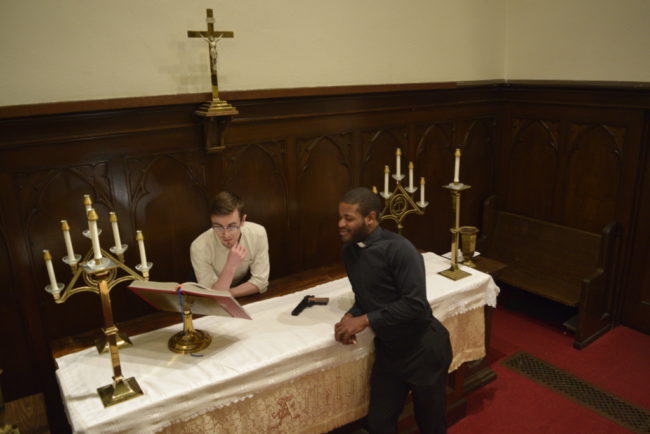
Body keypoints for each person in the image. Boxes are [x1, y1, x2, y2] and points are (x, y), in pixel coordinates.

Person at [334, 187, 452, 434]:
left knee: (431, 426)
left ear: (371, 218)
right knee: (378, 424)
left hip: (424, 350)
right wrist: (352, 314)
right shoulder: (350, 251)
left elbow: (416, 305)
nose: (341, 224)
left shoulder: (401, 249)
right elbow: (367, 296)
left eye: (349, 218)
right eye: (340, 217)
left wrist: (364, 319)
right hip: (390, 353)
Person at [190, 191, 269, 297]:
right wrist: (230, 265)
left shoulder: (258, 234)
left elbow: (261, 282)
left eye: (232, 226)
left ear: (242, 221)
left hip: (237, 294)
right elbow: (213, 297)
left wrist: (226, 293)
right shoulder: (199, 247)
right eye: (218, 226)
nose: (226, 235)